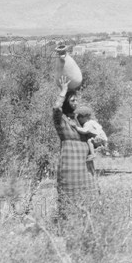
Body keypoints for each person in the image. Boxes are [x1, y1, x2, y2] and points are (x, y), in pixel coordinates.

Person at [53, 75, 99, 220]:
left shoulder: (79, 119)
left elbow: (90, 136)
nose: (76, 102)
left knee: (90, 195)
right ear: (66, 102)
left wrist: (96, 145)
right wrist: (64, 90)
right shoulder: (61, 120)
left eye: (76, 100)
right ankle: (67, 225)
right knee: (70, 195)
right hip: (70, 163)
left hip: (86, 165)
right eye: (72, 100)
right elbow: (55, 108)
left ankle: (88, 223)